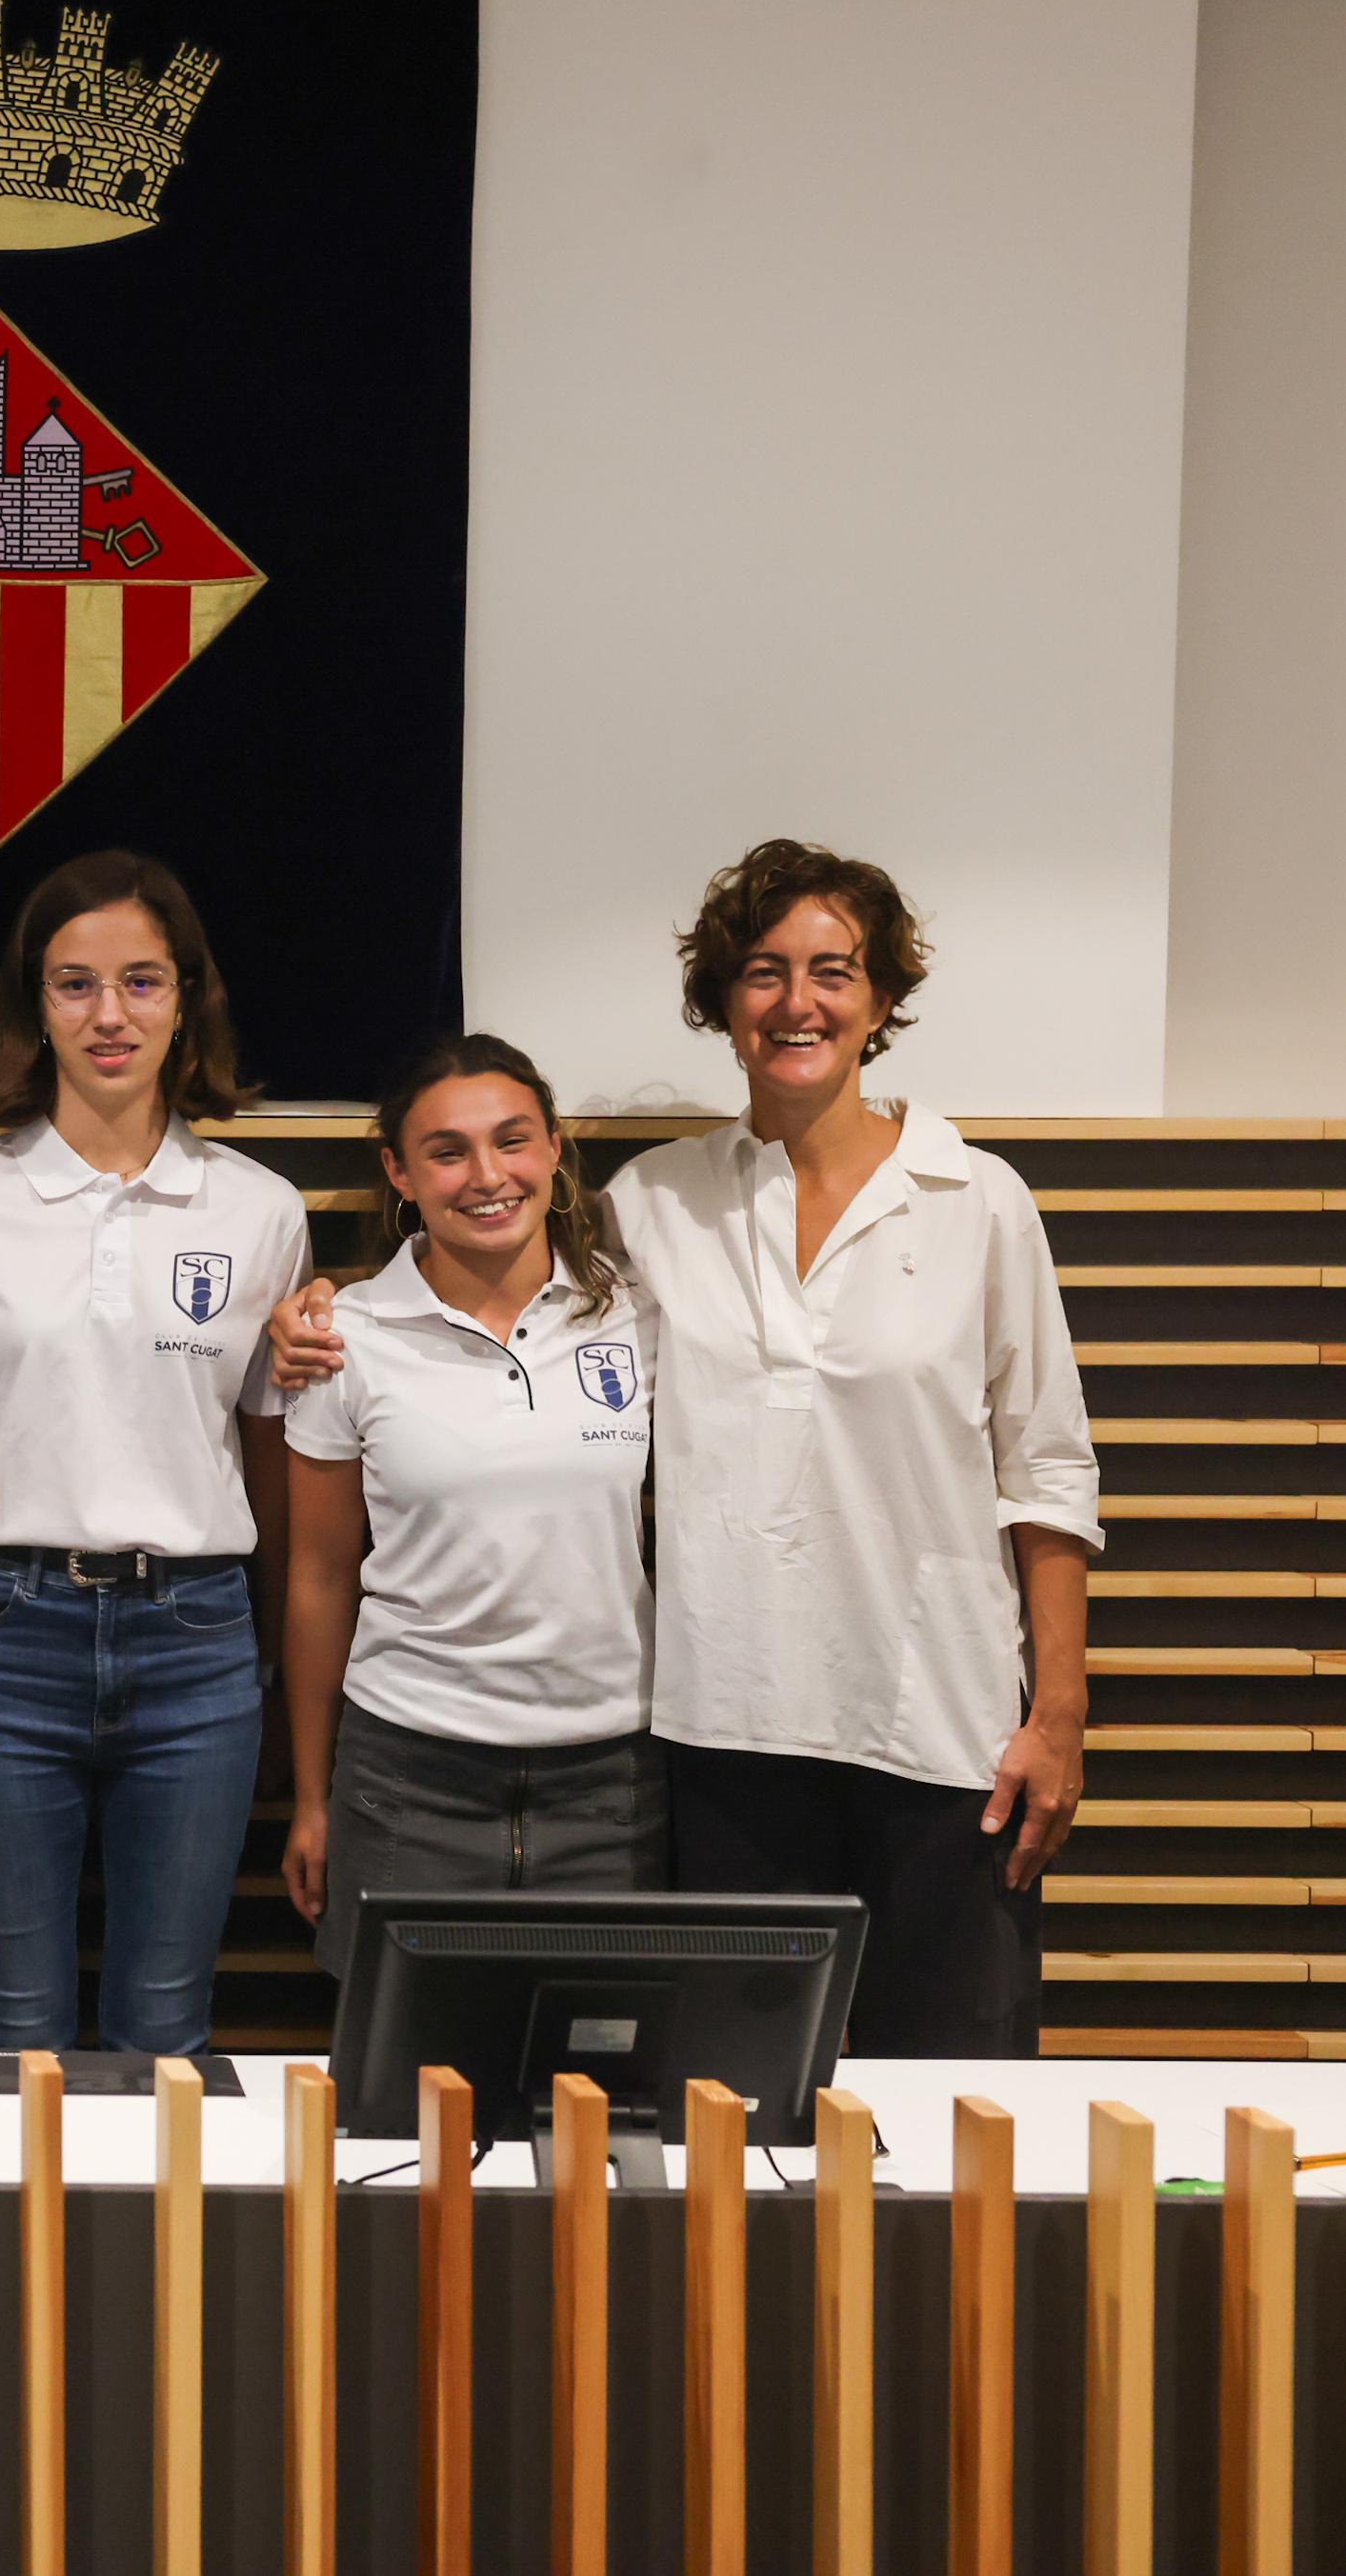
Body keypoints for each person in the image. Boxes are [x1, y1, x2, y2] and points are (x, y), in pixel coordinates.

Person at [269, 843, 1096, 2056]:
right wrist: (328, 1308)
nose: (797, 1002)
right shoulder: (654, 1205)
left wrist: (1059, 1710)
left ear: (878, 999)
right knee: (739, 2118)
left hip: (942, 1729)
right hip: (725, 1741)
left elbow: (1050, 1467)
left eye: (832, 971)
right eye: (762, 973)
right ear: (723, 1002)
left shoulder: (977, 1200)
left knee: (948, 2103)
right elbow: (486, 1251)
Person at [0, 849, 310, 2056]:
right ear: (36, 1004)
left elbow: (270, 1459)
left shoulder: (258, 1208)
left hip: (199, 1644)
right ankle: (17, 2256)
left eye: (140, 981)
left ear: (186, 999)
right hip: (1, 1632)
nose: (109, 1016)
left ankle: (149, 2258)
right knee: (13, 2024)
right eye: (75, 985)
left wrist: (279, 1672)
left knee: (165, 2027)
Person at [278, 1034, 657, 1972]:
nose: (486, 1176)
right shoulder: (342, 1337)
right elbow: (318, 1580)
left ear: (555, 1148)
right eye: (446, 1151)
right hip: (408, 1772)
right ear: (398, 1173)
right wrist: (313, 1797)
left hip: (612, 1777)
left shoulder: (641, 1314)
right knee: (404, 2098)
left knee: (598, 2093)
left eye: (512, 1140)